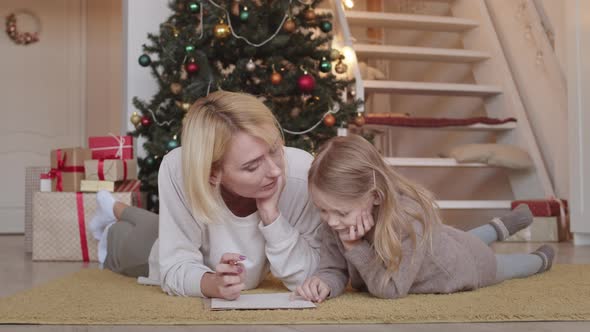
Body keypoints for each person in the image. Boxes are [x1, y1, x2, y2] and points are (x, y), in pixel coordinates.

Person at [89, 91, 323, 300]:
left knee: (153, 225)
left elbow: (311, 275)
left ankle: (114, 208)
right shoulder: (178, 169)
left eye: (275, 150)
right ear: (212, 174)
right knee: (125, 245)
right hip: (152, 247)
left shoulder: (301, 172)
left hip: (187, 233)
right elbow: (174, 266)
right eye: (252, 167)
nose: (275, 171)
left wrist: (272, 216)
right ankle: (111, 220)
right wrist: (211, 283)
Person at [295, 135, 555, 302]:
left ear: (374, 196)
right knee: (458, 238)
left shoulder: (408, 220)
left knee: (506, 264)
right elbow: (333, 269)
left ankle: (540, 258)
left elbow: (392, 289)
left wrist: (355, 247)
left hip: (462, 267)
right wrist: (325, 283)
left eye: (340, 213)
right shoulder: (336, 220)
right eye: (322, 210)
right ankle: (501, 226)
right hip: (441, 244)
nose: (330, 221)